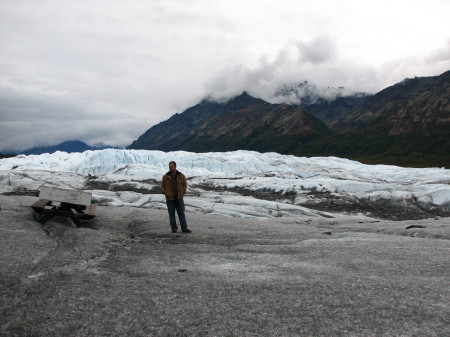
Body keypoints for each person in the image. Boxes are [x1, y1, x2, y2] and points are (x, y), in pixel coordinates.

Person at [161, 161, 191, 233]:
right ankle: (173, 228)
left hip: (179, 198)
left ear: (175, 166)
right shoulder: (165, 176)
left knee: (181, 213)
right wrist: (166, 193)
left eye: (171, 167)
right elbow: (162, 186)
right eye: (169, 167)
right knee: (171, 214)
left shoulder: (181, 176)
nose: (170, 168)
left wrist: (182, 192)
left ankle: (184, 228)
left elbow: (184, 184)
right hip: (170, 198)